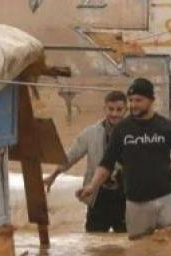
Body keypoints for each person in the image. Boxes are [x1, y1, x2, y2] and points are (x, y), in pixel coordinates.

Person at [77, 78, 171, 240]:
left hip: (166, 200)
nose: (133, 105)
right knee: (139, 255)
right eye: (131, 100)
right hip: (136, 204)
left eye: (138, 100)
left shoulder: (165, 127)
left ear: (151, 100)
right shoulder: (122, 129)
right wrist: (92, 186)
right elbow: (106, 164)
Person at [44, 90, 128, 233]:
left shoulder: (135, 134)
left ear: (126, 110)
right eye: (111, 109)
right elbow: (71, 156)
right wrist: (53, 176)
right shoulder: (91, 133)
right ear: (104, 109)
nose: (114, 114)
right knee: (94, 242)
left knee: (128, 241)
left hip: (126, 196)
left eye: (119, 110)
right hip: (97, 195)